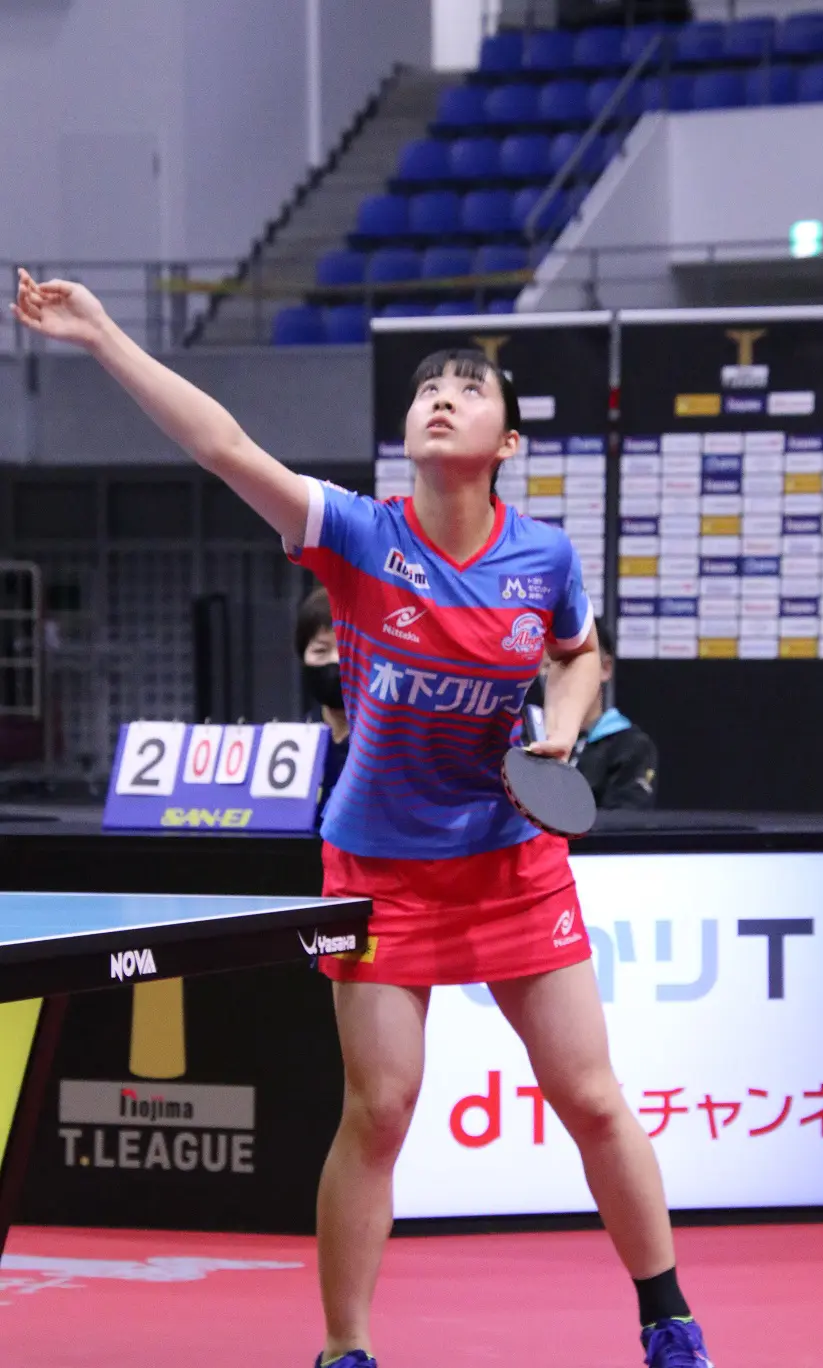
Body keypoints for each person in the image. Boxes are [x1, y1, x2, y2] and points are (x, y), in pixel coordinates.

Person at [11, 268, 714, 1368]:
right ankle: (346, 1349)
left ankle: (669, 1320)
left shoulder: (544, 558)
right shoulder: (352, 533)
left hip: (510, 863)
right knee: (380, 1110)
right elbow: (223, 446)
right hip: (380, 870)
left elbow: (578, 658)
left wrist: (564, 732)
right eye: (429, 387)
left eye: (468, 390)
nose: (441, 397)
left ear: (506, 444)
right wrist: (101, 334)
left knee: (589, 1096)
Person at [534, 620, 658, 810]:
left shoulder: (630, 746)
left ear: (605, 668)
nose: (556, 677)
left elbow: (625, 821)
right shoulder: (521, 739)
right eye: (548, 666)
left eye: (570, 666)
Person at [295, 584, 350, 822]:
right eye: (320, 650)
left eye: (347, 650)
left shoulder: (390, 746)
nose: (335, 662)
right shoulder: (296, 741)